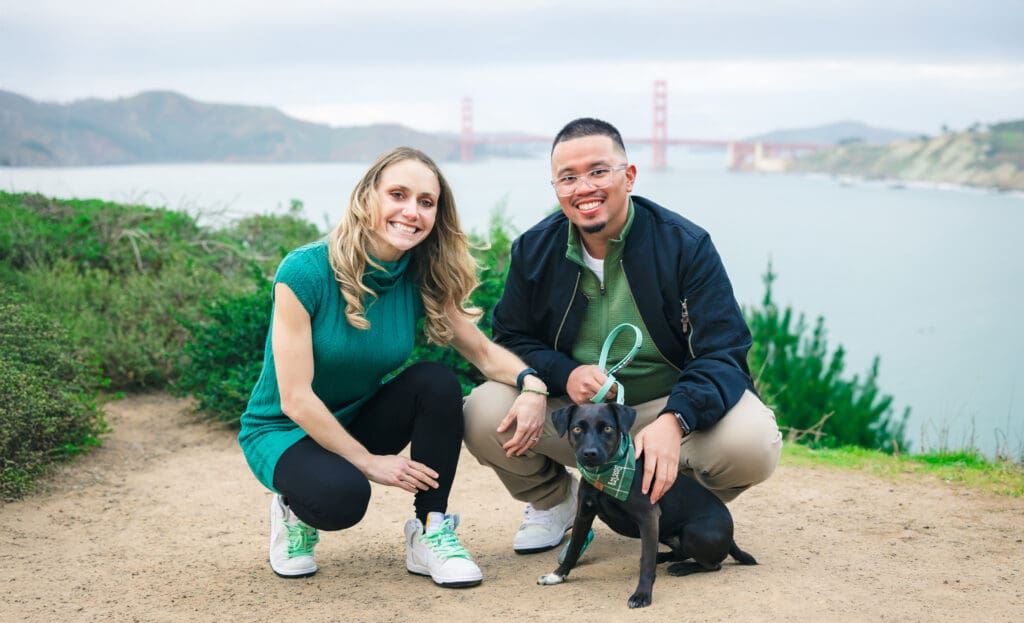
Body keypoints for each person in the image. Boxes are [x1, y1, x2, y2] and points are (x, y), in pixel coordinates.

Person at [463, 118, 782, 554]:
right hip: (580, 416)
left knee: (754, 442)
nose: (584, 188)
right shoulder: (533, 250)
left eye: (598, 171)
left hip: (670, 408)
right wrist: (562, 374)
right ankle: (556, 503)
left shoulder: (686, 245)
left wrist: (677, 419)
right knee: (481, 412)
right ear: (555, 188)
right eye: (568, 178)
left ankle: (670, 506)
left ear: (628, 177)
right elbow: (510, 338)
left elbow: (724, 353)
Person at [239, 147, 549, 586]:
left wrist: (532, 384)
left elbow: (480, 352)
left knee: (436, 382)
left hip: (355, 417)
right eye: (398, 195)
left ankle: (430, 530)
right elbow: (295, 398)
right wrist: (369, 463)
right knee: (343, 498)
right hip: (283, 429)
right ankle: (291, 507)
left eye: (426, 202)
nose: (411, 212)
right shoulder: (304, 272)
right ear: (368, 198)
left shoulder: (419, 270)